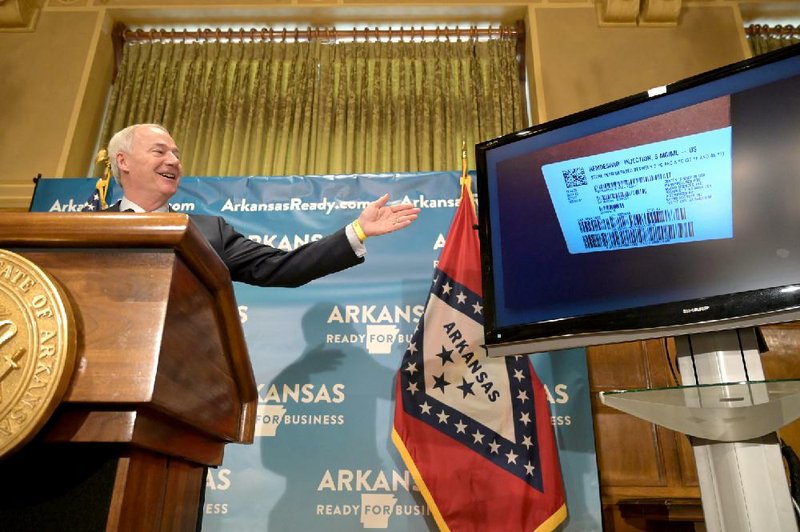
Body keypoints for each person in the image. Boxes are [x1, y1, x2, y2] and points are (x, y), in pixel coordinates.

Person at [104, 123, 420, 287]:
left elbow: (282, 268)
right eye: (160, 152)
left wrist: (357, 231)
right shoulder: (79, 230)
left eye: (177, 154)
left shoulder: (207, 231)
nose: (173, 160)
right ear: (124, 161)